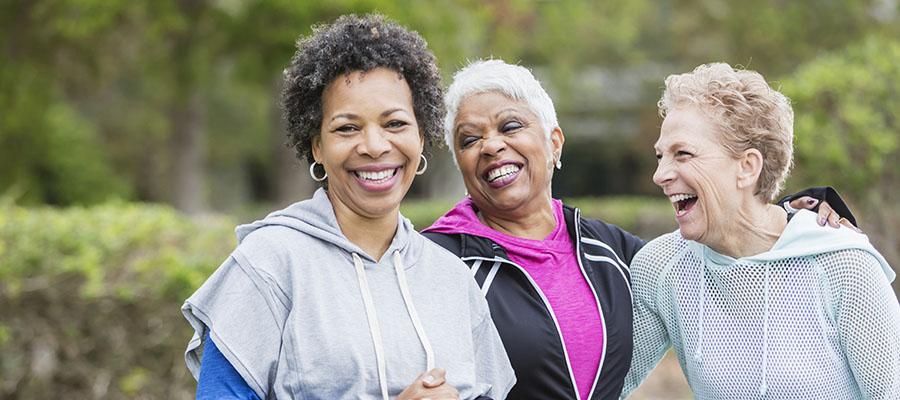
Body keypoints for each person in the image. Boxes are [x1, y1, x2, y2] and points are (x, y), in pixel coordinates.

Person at [422, 59, 853, 400]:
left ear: (554, 143)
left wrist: (790, 212)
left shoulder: (608, 250)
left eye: (510, 126)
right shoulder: (433, 261)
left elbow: (722, 255)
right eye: (468, 139)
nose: (491, 145)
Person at [181, 15, 515, 400]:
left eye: (394, 124)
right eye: (347, 128)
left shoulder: (452, 280)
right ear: (317, 147)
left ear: (421, 136)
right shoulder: (270, 264)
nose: (374, 146)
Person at [622, 63, 900, 399]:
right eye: (660, 156)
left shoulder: (845, 268)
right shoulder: (660, 267)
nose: (660, 174)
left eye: (683, 154)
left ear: (747, 167)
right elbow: (599, 385)